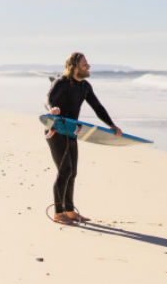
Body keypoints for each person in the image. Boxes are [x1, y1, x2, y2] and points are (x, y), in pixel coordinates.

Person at [45, 52, 122, 225]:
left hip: (71, 131)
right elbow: (49, 99)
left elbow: (97, 107)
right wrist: (52, 109)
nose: (88, 66)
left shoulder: (85, 86)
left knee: (72, 172)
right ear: (74, 67)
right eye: (84, 64)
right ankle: (58, 213)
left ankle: (70, 211)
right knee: (65, 171)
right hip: (56, 130)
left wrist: (111, 125)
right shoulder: (61, 83)